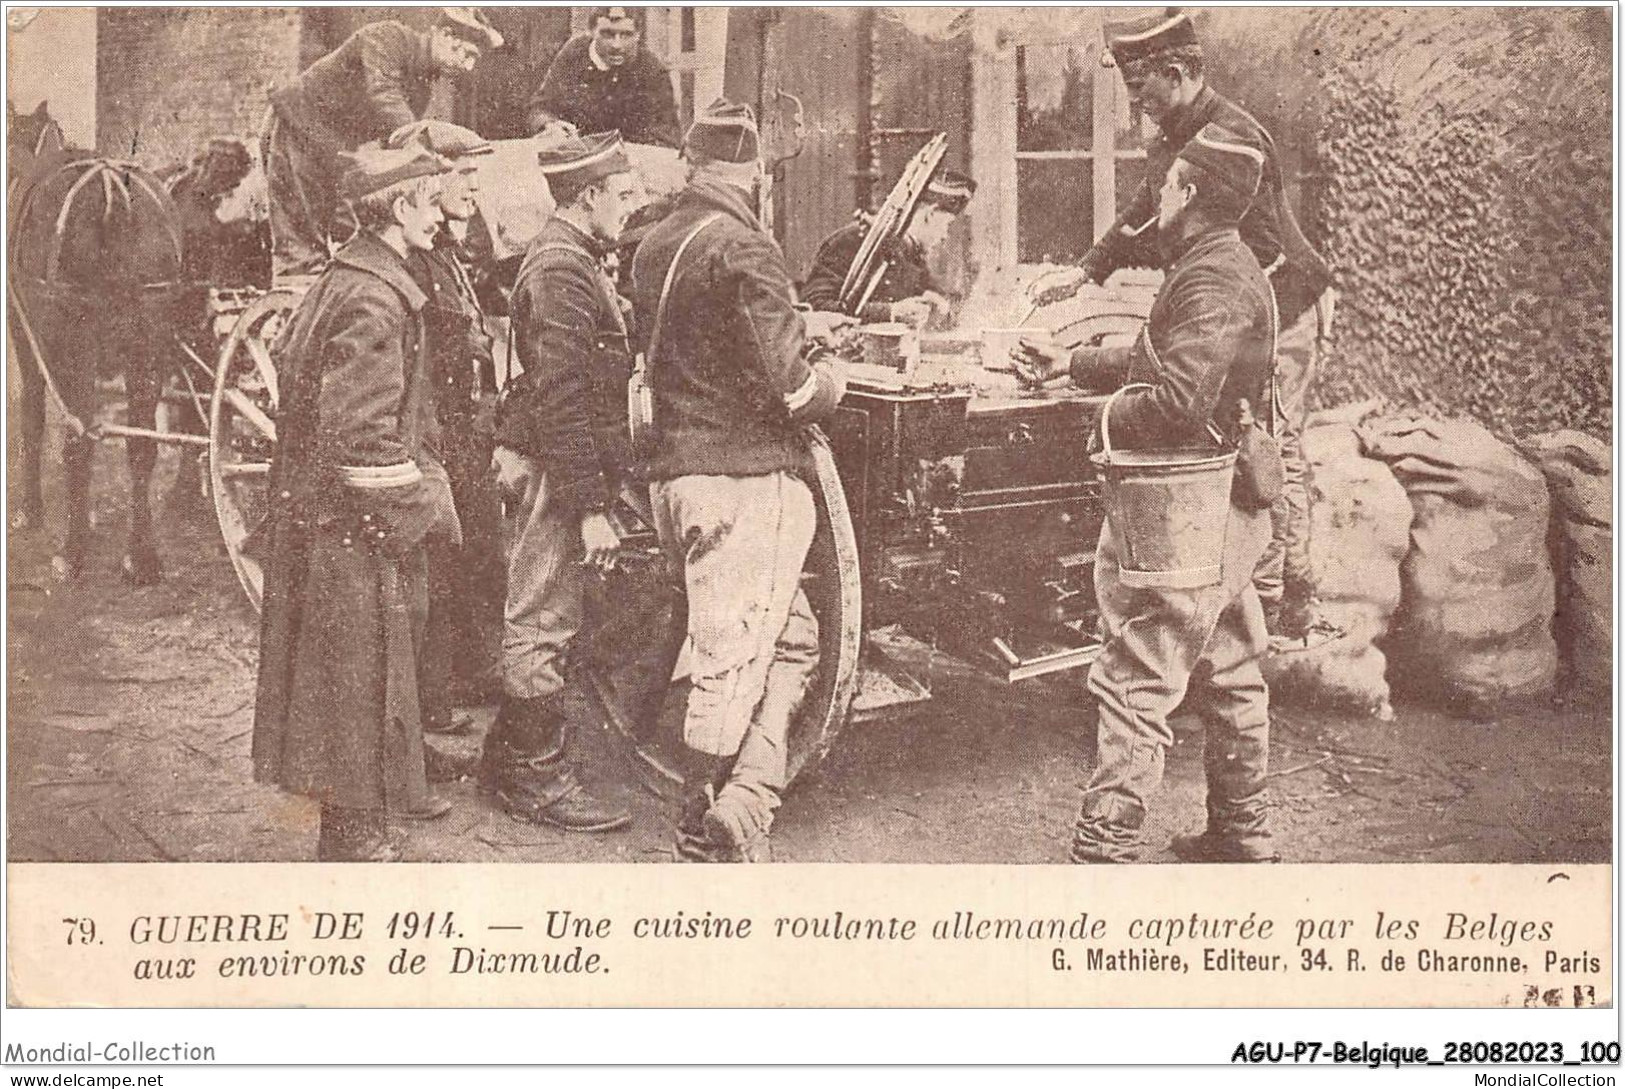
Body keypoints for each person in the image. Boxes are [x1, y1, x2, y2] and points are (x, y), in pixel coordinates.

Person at [1014, 123, 1284, 864]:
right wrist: (1070, 361)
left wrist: (1093, 416)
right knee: (1227, 661)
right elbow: (1153, 356)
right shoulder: (1214, 262)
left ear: (1188, 193)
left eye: (1165, 184)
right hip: (1225, 497)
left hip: (1188, 503)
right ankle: (1244, 829)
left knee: (1137, 670)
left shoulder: (1213, 276)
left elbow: (1174, 402)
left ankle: (1103, 852)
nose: (1156, 194)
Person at [1033, 10, 1336, 646]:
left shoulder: (1233, 139)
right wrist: (1088, 271)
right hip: (1234, 297)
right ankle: (1227, 596)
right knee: (1214, 429)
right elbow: (1148, 207)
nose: (1134, 103)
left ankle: (1282, 610)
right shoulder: (1173, 130)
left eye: (1141, 89)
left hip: (1283, 300)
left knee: (1269, 447)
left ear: (1178, 73)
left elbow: (1250, 260)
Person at [631, 99, 846, 863]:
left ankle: (748, 798)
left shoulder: (655, 241)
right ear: (753, 174)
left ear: (693, 165)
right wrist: (832, 374)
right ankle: (702, 831)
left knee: (792, 639)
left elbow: (702, 346)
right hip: (745, 481)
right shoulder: (748, 248)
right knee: (729, 662)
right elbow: (792, 392)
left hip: (676, 475)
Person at [252, 144, 462, 862]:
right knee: (359, 677)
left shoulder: (349, 279)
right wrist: (417, 512)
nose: (440, 216)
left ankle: (353, 825)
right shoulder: (376, 297)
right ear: (400, 210)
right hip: (353, 524)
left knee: (340, 676)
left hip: (324, 517)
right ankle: (352, 835)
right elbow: (358, 434)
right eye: (431, 203)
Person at [481, 131, 645, 832]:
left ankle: (506, 755)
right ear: (589, 197)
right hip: (556, 463)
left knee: (554, 610)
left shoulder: (574, 257)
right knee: (542, 615)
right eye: (625, 193)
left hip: (565, 459)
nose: (633, 206)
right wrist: (589, 509)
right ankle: (534, 780)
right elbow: (562, 399)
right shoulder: (559, 271)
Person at [384, 120, 505, 733]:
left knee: (481, 553)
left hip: (469, 430)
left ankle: (469, 675)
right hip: (438, 434)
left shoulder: (452, 251)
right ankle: (433, 700)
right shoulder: (418, 263)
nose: (473, 189)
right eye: (463, 177)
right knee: (440, 566)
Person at [262, 8, 503, 279]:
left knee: (348, 226)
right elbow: (385, 97)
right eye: (467, 54)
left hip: (334, 145)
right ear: (445, 35)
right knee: (301, 235)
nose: (468, 66)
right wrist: (425, 153)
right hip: (297, 123)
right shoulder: (388, 37)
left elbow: (396, 145)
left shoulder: (421, 86)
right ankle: (298, 293)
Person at [799, 169, 977, 329]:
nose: (945, 235)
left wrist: (934, 299)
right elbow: (814, 306)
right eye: (947, 224)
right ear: (930, 214)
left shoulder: (910, 251)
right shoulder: (853, 241)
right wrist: (891, 312)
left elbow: (931, 291)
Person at [527, 7, 681, 149]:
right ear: (592, 31)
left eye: (626, 35)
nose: (617, 45)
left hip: (631, 161)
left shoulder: (651, 69)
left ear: (638, 34)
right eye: (608, 34)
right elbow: (541, 107)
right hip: (577, 156)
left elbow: (667, 134)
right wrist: (549, 125)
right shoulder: (574, 55)